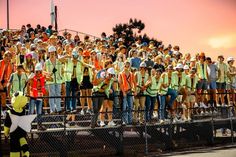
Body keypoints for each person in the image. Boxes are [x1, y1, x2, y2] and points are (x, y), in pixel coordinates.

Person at [4, 92, 31, 157]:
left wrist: (6, 134)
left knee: (14, 150)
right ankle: (26, 152)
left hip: (14, 134)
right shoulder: (24, 111)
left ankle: (23, 152)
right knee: (23, 143)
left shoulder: (10, 112)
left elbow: (7, 125)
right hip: (22, 132)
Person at [44, 46, 63, 114]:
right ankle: (52, 109)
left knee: (58, 94)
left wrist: (61, 77)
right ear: (49, 53)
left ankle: (58, 109)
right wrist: (48, 74)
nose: (52, 54)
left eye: (53, 53)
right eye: (51, 53)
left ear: (55, 53)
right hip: (50, 81)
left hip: (58, 80)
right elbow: (43, 71)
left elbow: (62, 69)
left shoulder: (58, 61)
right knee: (52, 95)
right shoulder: (46, 62)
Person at [27, 63, 47, 130]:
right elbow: (27, 82)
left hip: (40, 96)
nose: (38, 73)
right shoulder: (32, 77)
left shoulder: (42, 77)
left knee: (39, 112)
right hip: (33, 97)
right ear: (35, 71)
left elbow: (51, 79)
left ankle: (39, 126)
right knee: (31, 111)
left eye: (40, 71)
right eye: (37, 71)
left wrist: (46, 74)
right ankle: (28, 125)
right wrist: (30, 76)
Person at [118, 61, 137, 125]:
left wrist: (135, 90)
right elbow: (120, 84)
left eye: (128, 66)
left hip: (129, 91)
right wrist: (123, 92)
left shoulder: (131, 74)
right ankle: (124, 121)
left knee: (130, 106)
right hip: (124, 92)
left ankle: (130, 120)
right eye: (126, 66)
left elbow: (134, 82)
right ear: (124, 66)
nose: (127, 67)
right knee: (124, 107)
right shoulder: (121, 73)